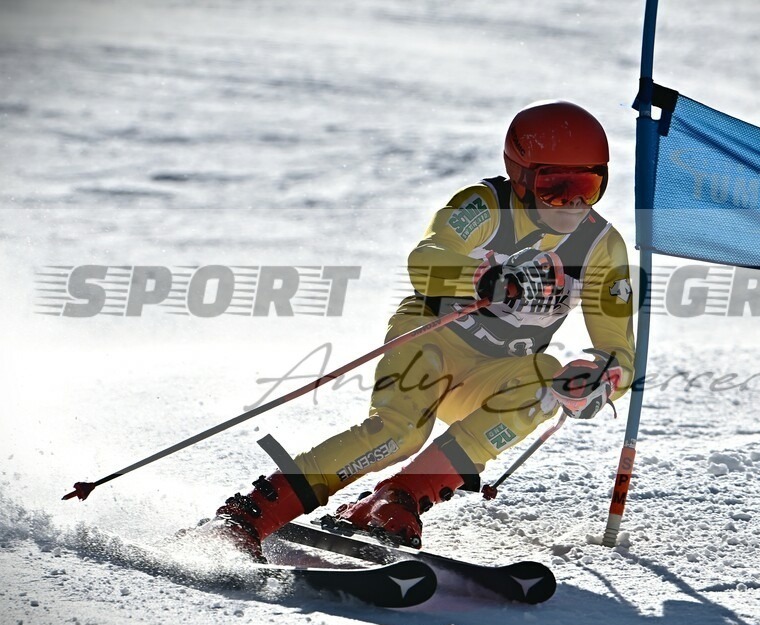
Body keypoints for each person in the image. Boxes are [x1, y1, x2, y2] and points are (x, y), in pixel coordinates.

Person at [199, 100, 636, 559]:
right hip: (431, 339)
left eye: (587, 186)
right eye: (555, 185)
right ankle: (248, 515)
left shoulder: (600, 246)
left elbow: (619, 352)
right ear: (521, 174)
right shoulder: (484, 206)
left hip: (494, 371)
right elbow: (427, 259)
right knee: (398, 433)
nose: (571, 202)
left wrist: (600, 380)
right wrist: (490, 279)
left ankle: (396, 499)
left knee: (546, 380)